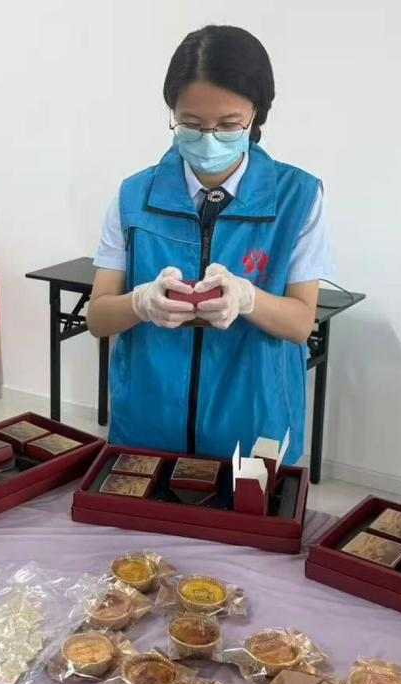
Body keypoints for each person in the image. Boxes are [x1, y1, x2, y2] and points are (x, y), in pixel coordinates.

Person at [87, 26, 334, 466]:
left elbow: (300, 323)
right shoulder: (134, 196)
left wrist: (247, 297)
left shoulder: (297, 198)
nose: (208, 139)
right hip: (147, 424)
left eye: (228, 125)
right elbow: (98, 317)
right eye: (191, 124)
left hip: (254, 431)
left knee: (250, 513)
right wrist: (142, 303)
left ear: (256, 115)